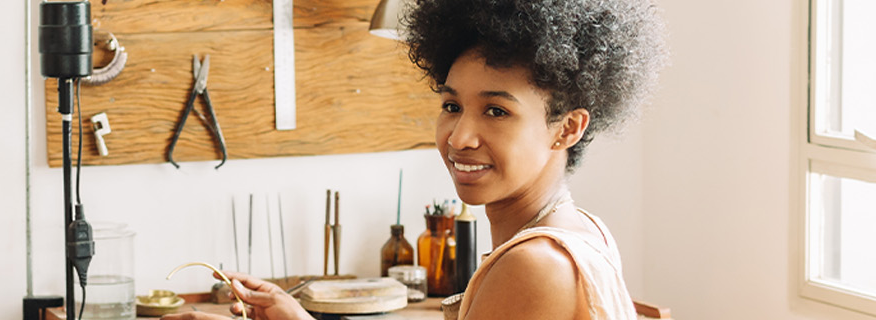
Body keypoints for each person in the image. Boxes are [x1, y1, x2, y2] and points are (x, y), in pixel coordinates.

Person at [162, 0, 665, 318]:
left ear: (568, 127)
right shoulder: (584, 230)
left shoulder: (534, 267)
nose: (460, 136)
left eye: (496, 111)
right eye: (451, 106)